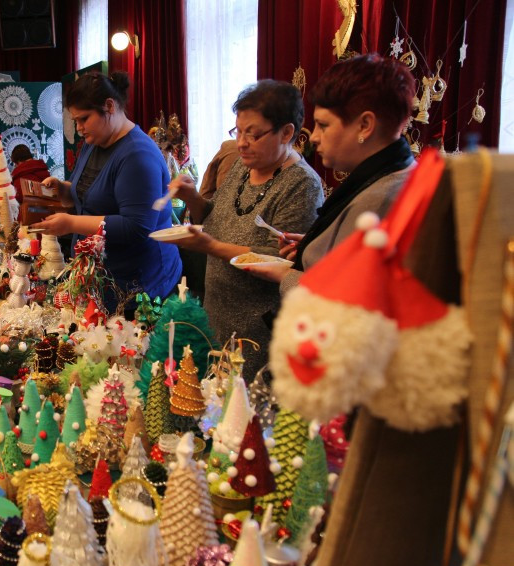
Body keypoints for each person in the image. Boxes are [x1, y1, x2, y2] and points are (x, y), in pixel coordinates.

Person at [165, 80, 323, 379]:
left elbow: (280, 260)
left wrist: (210, 247)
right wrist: (192, 197)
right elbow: (215, 217)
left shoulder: (302, 185)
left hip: (258, 331)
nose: (241, 143)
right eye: (238, 131)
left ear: (286, 133)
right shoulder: (243, 166)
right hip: (217, 313)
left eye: (253, 134)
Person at [244, 54, 417, 294]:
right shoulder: (386, 178)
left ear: (365, 126)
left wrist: (285, 275)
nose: (314, 137)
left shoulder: (380, 200)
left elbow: (342, 298)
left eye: (323, 125)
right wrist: (319, 245)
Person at [35, 71, 181, 307]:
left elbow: (136, 227)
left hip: (139, 287)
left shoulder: (138, 155)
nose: (79, 128)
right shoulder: (95, 142)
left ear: (109, 106)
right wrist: (65, 190)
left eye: (84, 119)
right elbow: (95, 196)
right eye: (75, 121)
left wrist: (71, 223)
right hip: (104, 279)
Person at [10, 143, 50, 211]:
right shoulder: (43, 170)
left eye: (15, 164)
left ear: (18, 161)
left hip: (27, 214)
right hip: (48, 212)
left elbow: (17, 199)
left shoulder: (18, 176)